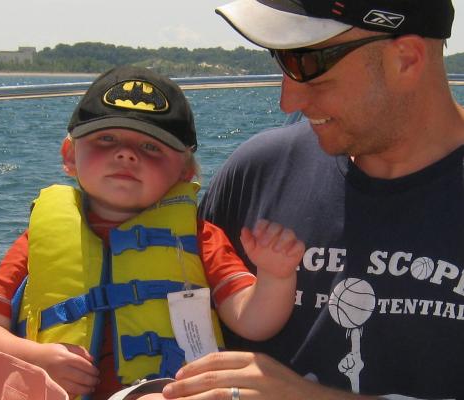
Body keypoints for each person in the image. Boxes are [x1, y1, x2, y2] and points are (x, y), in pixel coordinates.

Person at [161, 0, 464, 399]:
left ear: (406, 59)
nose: (288, 102)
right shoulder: (256, 171)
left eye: (308, 65)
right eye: (281, 61)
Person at [0, 66, 305, 400]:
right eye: (106, 138)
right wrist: (35, 358)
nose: (126, 154)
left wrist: (275, 276)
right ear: (70, 155)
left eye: (151, 147)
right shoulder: (33, 244)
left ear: (185, 171)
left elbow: (253, 321)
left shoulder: (201, 238)